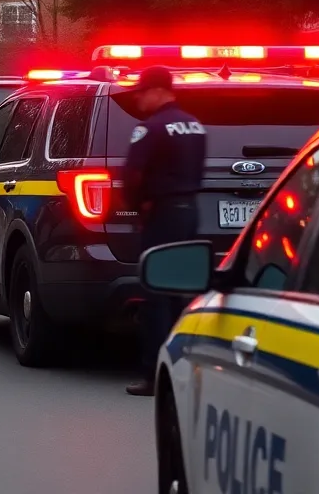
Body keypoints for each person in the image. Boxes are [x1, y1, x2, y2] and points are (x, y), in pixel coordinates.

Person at [121, 65, 207, 396]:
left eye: (142, 92)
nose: (139, 99)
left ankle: (154, 374)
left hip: (161, 215)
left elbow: (133, 176)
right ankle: (183, 369)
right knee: (182, 294)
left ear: (158, 90)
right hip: (190, 213)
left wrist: (137, 205)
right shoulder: (195, 126)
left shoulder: (150, 129)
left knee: (155, 294)